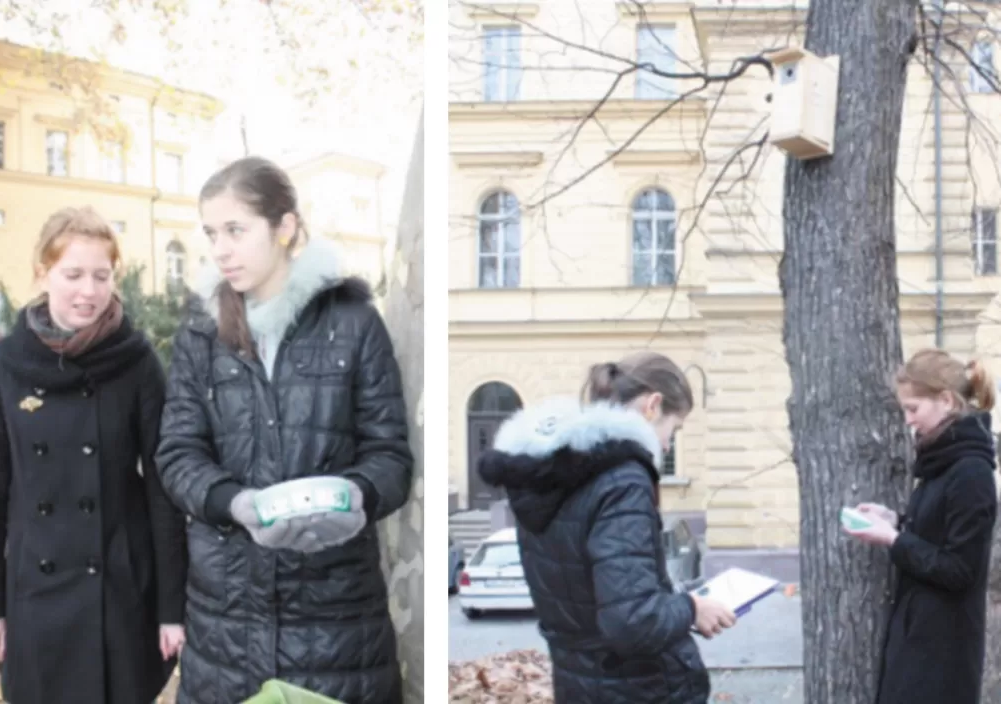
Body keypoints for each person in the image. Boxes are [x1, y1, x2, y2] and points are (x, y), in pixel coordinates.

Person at [155, 157, 413, 703]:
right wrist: (235, 503)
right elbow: (176, 453)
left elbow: (390, 457)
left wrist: (354, 495)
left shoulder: (354, 323)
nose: (220, 249)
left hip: (334, 625)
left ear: (285, 227)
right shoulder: (201, 332)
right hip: (225, 626)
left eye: (235, 230)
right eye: (211, 234)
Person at [0, 207, 187, 703]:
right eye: (73, 275)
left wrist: (171, 609)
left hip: (119, 591)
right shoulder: (6, 365)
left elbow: (164, 491)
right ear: (43, 273)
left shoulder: (136, 361)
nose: (88, 292)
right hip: (36, 592)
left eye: (101, 275)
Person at [477, 351, 734, 703]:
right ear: (652, 405)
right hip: (639, 689)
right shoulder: (621, 481)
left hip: (578, 685)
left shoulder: (547, 475)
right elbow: (631, 621)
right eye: (673, 430)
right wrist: (691, 608)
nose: (667, 444)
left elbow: (593, 598)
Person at [843, 349, 998, 704]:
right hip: (921, 636)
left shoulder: (970, 471)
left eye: (913, 409)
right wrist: (894, 519)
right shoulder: (943, 460)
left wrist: (894, 539)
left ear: (946, 401)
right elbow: (938, 529)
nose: (908, 420)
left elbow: (960, 569)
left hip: (943, 650)